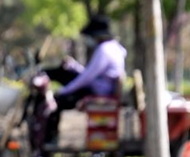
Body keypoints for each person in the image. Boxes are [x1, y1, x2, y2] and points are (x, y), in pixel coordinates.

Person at [42, 15, 127, 148]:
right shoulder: (114, 48)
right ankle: (45, 77)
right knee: (65, 71)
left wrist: (64, 91)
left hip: (99, 90)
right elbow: (92, 73)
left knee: (57, 100)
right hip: (100, 86)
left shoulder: (104, 49)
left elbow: (87, 78)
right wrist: (75, 66)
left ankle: (49, 139)